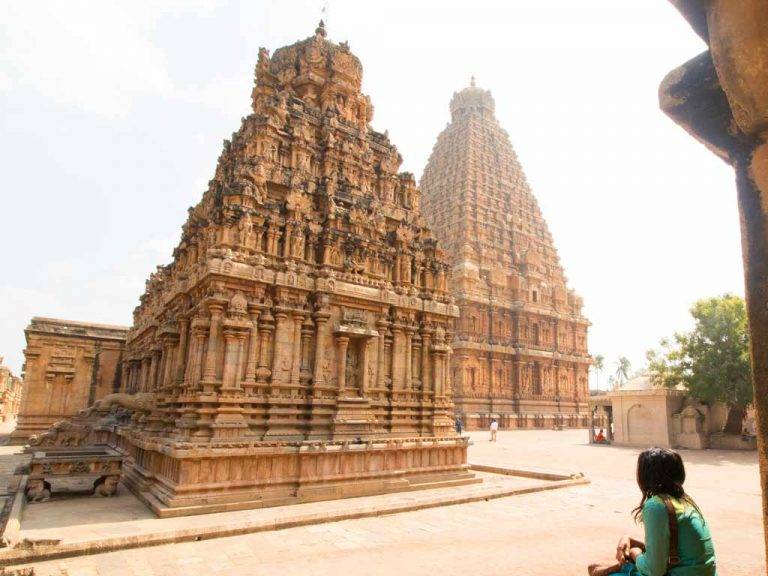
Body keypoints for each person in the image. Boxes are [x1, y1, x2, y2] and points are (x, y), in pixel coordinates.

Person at [588, 447, 717, 576]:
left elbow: (655, 570)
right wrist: (629, 540)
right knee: (598, 568)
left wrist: (634, 552)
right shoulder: (684, 500)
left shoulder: (655, 506)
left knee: (596, 570)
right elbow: (668, 548)